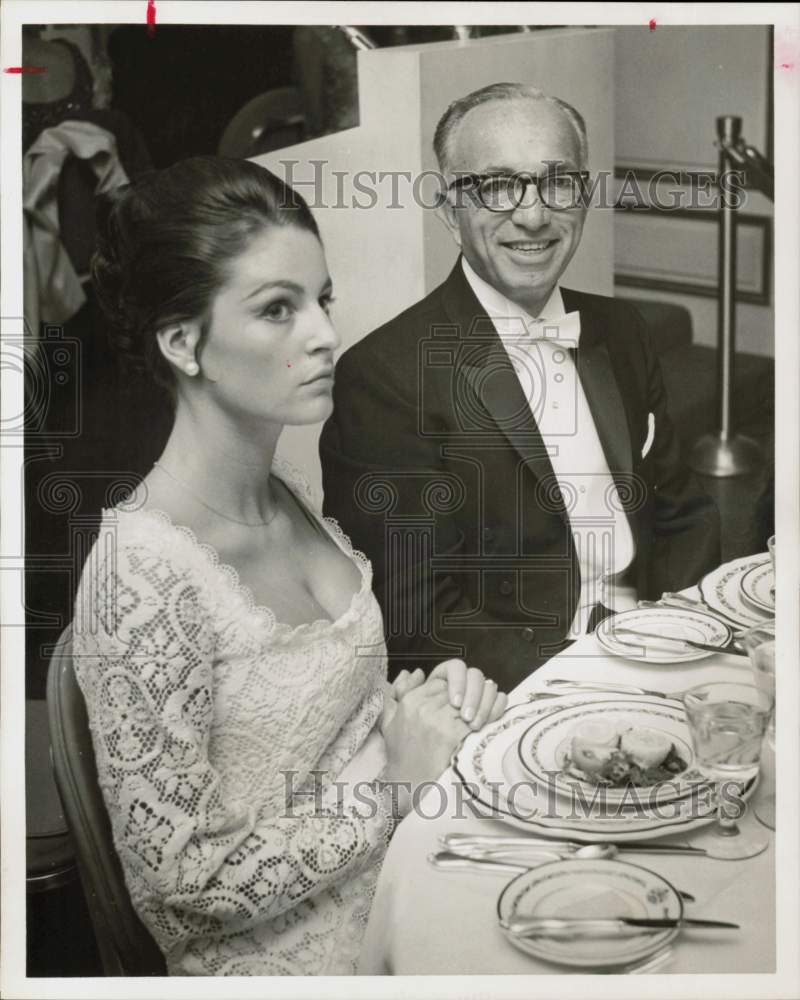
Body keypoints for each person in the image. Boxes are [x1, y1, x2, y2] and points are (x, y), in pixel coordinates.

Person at [71, 157, 507, 976]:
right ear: (182, 343)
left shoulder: (289, 493)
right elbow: (179, 889)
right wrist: (395, 789)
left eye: (322, 299)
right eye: (278, 309)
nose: (324, 334)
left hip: (406, 877)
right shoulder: (138, 575)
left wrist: (423, 709)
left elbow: (319, 725)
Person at [320, 82, 721, 691]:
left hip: (658, 645)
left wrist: (681, 632)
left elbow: (683, 510)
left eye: (558, 181)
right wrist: (592, 681)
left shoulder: (621, 328)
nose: (533, 216)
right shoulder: (385, 376)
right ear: (449, 211)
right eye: (497, 186)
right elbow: (415, 616)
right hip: (524, 692)